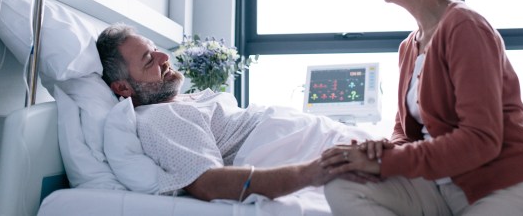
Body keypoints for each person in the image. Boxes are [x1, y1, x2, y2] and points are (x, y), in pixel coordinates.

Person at [319, 0, 523, 215]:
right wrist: (382, 150)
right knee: (343, 183)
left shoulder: (466, 27)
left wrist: (384, 162)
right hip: (442, 188)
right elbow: (405, 133)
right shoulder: (409, 47)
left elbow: (481, 139)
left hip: (500, 188)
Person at [95, 23, 374, 203]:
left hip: (318, 136)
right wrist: (311, 172)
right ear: (123, 87)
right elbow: (208, 183)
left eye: (155, 50)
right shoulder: (159, 117)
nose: (164, 58)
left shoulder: (179, 101)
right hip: (308, 149)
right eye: (148, 60)